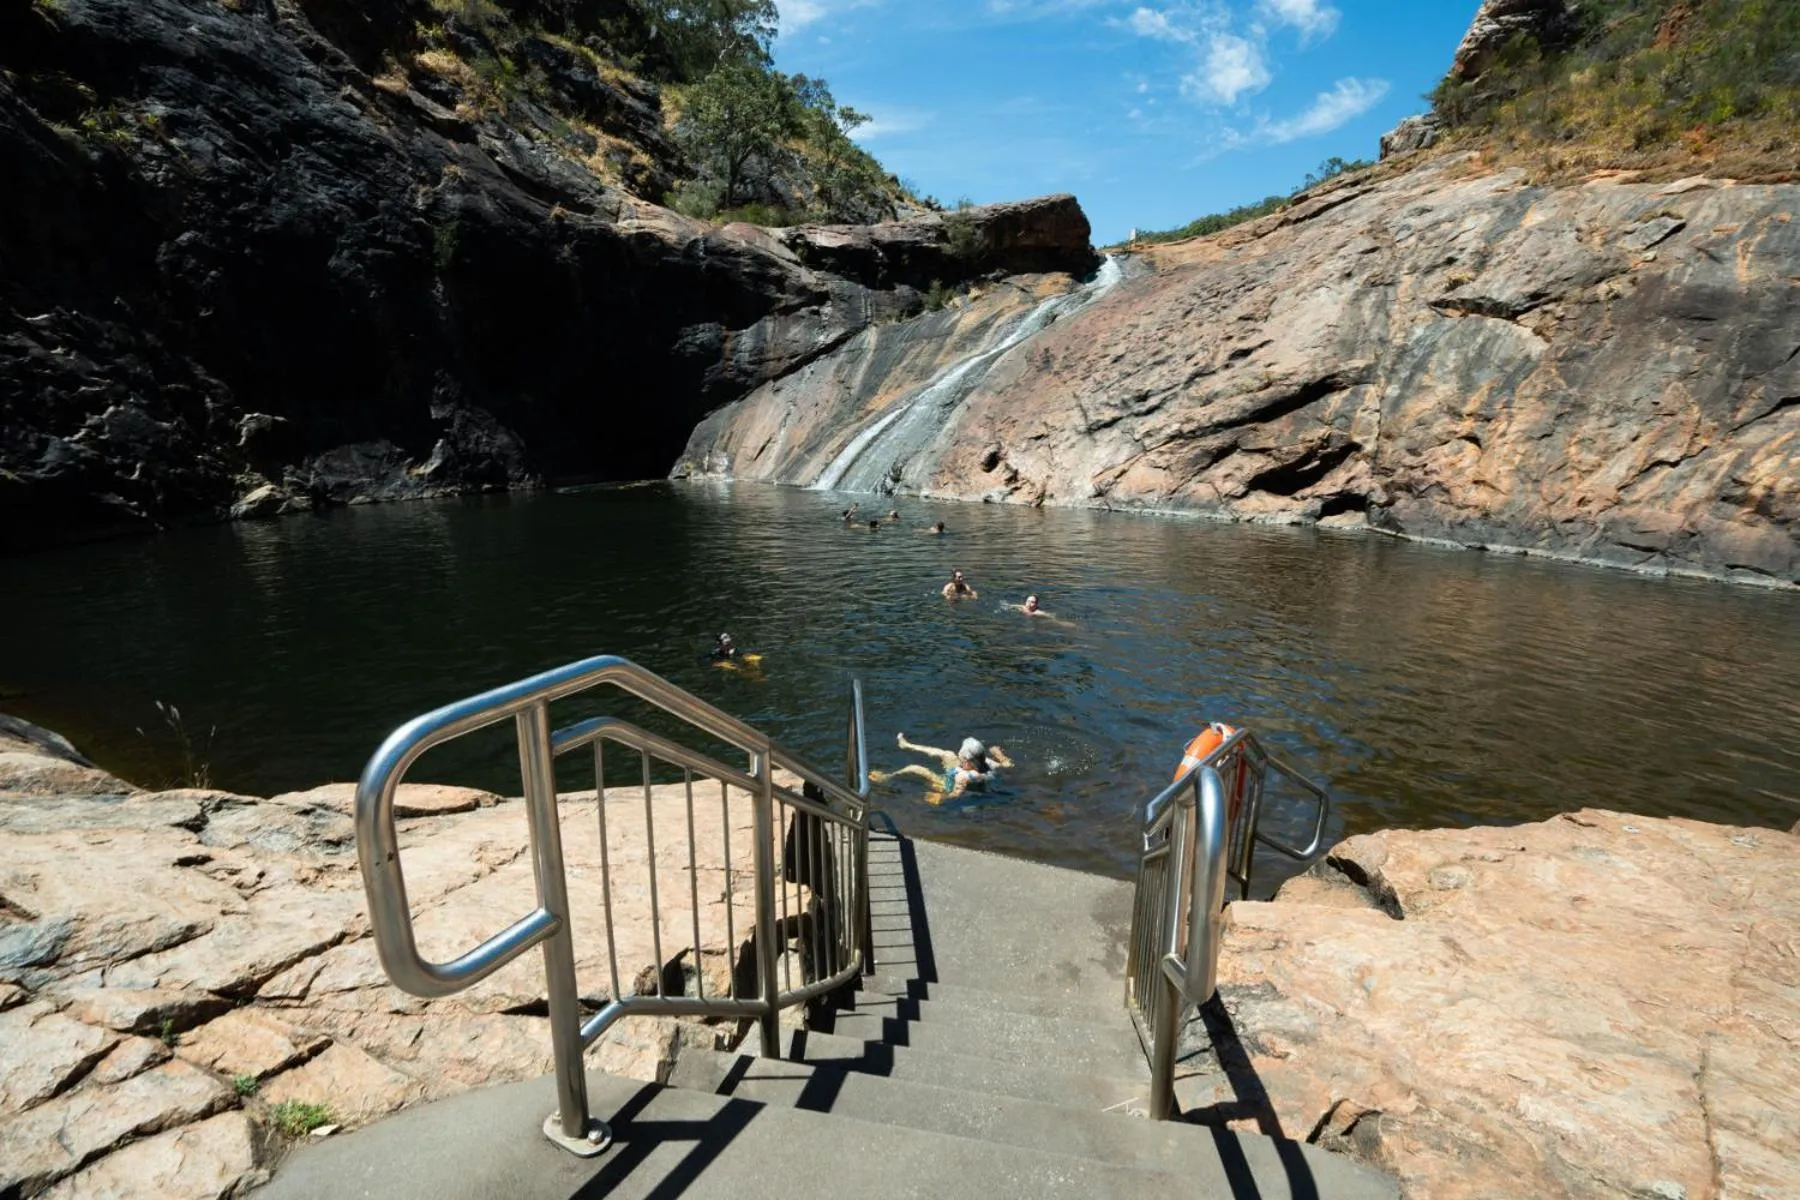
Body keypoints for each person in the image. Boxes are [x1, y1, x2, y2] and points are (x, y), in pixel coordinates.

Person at [870, 733, 1015, 805]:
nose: (959, 757)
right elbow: (1008, 766)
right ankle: (908, 746)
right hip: (959, 773)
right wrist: (999, 755)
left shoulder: (965, 776)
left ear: (968, 760)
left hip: (944, 785)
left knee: (914, 768)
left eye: (962, 757)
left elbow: (956, 794)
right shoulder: (987, 763)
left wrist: (942, 798)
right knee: (947, 754)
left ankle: (887, 777)